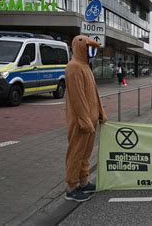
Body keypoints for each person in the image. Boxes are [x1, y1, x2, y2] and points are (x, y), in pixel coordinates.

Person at [65, 35, 108, 202]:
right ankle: (71, 186)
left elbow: (94, 94)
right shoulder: (74, 67)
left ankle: (83, 181)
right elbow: (78, 98)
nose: (92, 53)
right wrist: (84, 120)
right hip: (81, 123)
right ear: (80, 48)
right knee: (76, 152)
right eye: (90, 49)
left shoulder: (86, 67)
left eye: (94, 50)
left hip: (91, 121)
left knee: (86, 153)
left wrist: (100, 113)